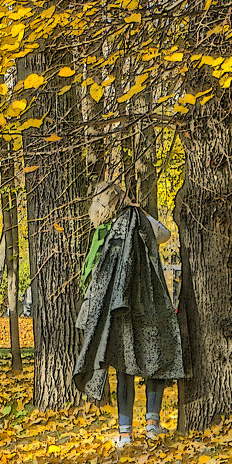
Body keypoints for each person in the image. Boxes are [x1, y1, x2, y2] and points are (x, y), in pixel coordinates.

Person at [74, 180, 183, 448]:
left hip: (118, 309)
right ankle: (152, 424)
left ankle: (124, 433)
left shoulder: (105, 231)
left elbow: (91, 271)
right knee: (153, 359)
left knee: (125, 366)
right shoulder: (139, 221)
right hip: (149, 302)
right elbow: (165, 234)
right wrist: (142, 212)